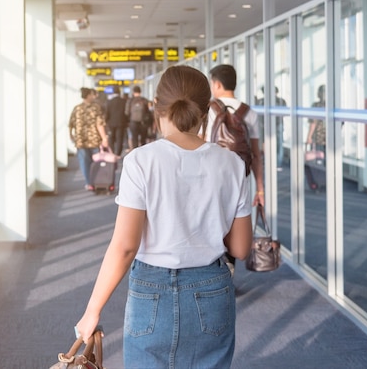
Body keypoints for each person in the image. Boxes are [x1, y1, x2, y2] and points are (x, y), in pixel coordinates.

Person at [76, 66, 253, 368]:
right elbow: (239, 249)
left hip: (151, 290)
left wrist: (92, 311)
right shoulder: (233, 164)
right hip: (213, 287)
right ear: (205, 111)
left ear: (157, 106)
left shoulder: (140, 162)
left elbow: (125, 247)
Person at [205, 64, 264, 275]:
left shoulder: (208, 109)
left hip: (210, 176)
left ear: (217, 84)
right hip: (240, 177)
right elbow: (256, 154)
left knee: (212, 220)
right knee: (234, 221)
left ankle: (214, 267)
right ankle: (228, 269)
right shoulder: (249, 113)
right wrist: (260, 188)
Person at [69, 87, 109, 191]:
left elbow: (71, 123)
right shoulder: (96, 108)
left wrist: (71, 135)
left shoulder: (77, 108)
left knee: (84, 162)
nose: (94, 96)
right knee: (95, 162)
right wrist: (104, 138)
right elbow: (100, 124)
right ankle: (95, 180)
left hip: (81, 141)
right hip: (94, 140)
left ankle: (89, 183)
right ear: (88, 95)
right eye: (92, 94)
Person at [105, 86, 128, 156]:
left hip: (111, 123)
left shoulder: (109, 102)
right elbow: (126, 113)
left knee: (111, 138)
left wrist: (106, 121)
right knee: (119, 138)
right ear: (119, 92)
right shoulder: (124, 101)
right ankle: (118, 154)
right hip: (121, 123)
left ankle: (112, 152)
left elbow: (107, 113)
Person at [306, 84, 326, 154]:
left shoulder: (316, 106)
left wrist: (309, 137)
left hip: (318, 139)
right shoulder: (332, 105)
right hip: (330, 139)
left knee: (318, 159)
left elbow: (313, 123)